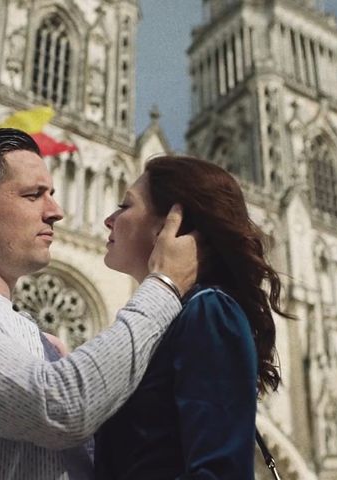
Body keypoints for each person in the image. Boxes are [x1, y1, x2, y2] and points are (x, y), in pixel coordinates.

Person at [0, 129, 198, 480]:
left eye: (52, 195)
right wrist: (164, 284)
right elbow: (62, 408)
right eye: (33, 195)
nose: (56, 211)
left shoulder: (39, 340)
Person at [95, 155, 291, 479]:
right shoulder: (176, 317)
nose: (109, 218)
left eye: (124, 205)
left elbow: (219, 471)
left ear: (172, 223)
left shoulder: (211, 311)